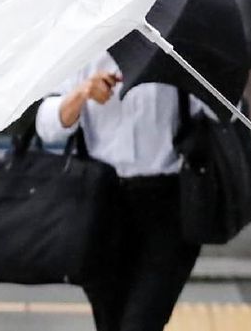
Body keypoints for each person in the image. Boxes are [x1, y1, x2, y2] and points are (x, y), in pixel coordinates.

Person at [35, 52, 209, 331]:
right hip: (102, 204)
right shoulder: (87, 48)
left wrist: (202, 76)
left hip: (167, 205)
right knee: (110, 322)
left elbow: (217, 112)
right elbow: (47, 126)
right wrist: (82, 94)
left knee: (141, 322)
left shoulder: (175, 49)